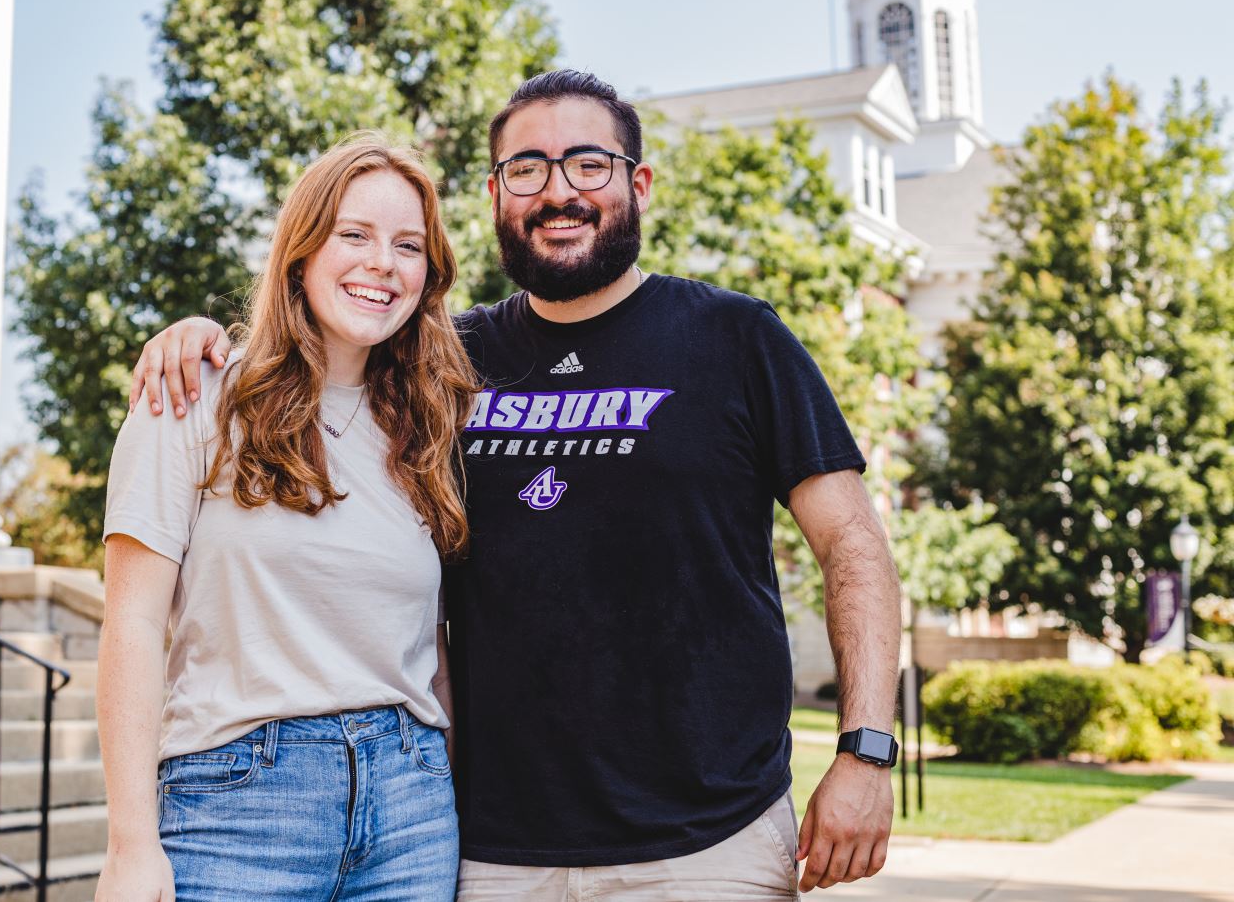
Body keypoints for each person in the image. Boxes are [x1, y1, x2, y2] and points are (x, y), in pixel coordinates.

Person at [131, 71, 902, 899]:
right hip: (489, 853)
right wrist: (200, 339)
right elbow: (319, 357)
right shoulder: (438, 369)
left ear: (637, 183)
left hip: (705, 845)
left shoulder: (738, 338)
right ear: (497, 194)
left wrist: (866, 749)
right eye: (527, 168)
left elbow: (852, 545)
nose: (558, 190)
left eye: (588, 164)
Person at [95, 132, 478, 902]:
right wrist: (130, 843)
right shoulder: (193, 398)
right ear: (301, 251)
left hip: (411, 809)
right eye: (355, 235)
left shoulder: (430, 430)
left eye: (408, 245)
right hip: (236, 803)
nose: (382, 263)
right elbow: (131, 622)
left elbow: (432, 652)